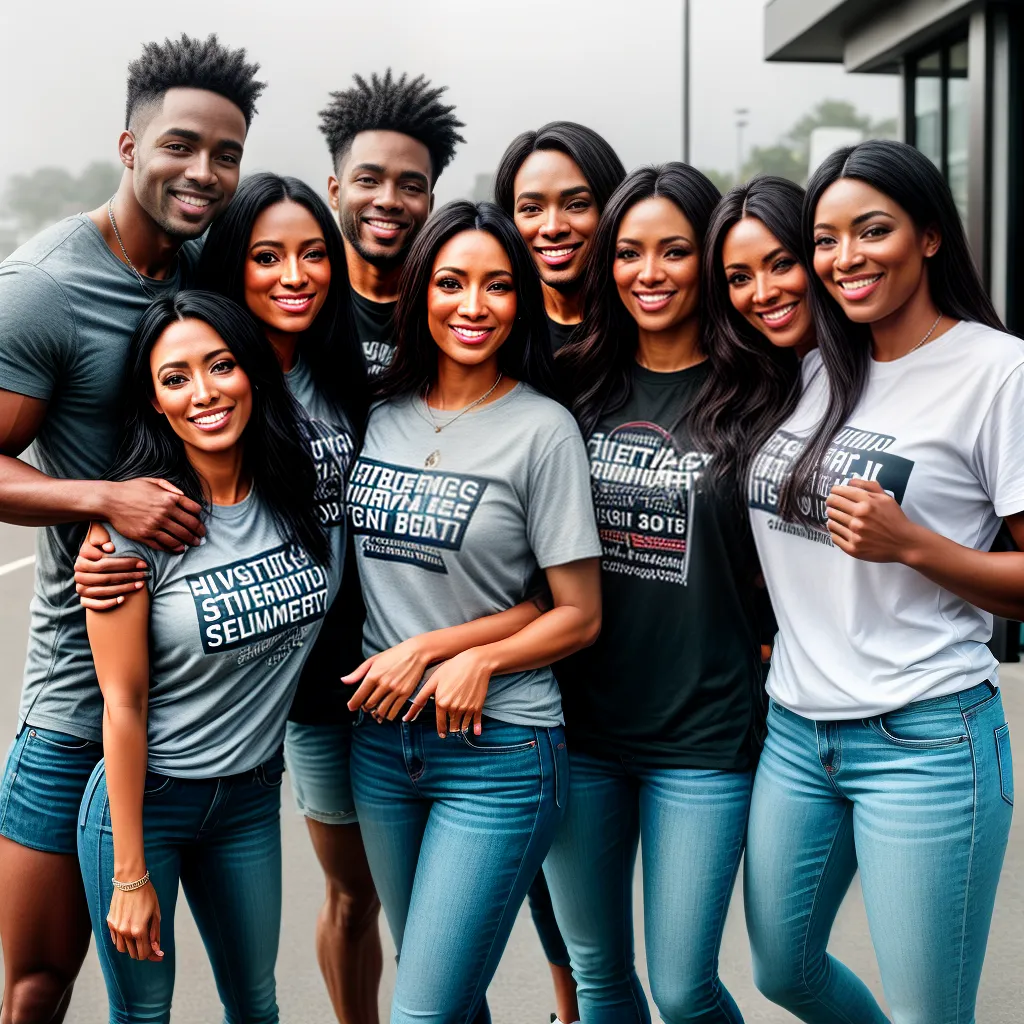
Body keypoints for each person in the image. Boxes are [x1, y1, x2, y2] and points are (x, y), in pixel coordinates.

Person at [0, 35, 264, 1023]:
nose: (204, 172)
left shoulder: (212, 269)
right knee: (38, 983)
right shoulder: (44, 288)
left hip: (204, 706)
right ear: (128, 144)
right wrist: (103, 499)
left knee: (236, 995)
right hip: (78, 692)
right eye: (180, 146)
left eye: (226, 154)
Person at [74, 172, 378, 1023]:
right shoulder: (138, 526)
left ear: (252, 375)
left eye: (220, 369)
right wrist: (129, 869)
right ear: (154, 398)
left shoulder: (291, 493)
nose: (204, 393)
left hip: (250, 793)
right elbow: (124, 704)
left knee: (257, 1003)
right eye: (177, 380)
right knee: (145, 1014)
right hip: (149, 802)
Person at [744, 139, 1016, 1024]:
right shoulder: (815, 364)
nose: (845, 258)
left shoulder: (996, 372)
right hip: (795, 728)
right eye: (826, 240)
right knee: (783, 970)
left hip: (926, 737)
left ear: (930, 235)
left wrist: (914, 545)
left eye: (873, 231)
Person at [344, 200, 602, 1024]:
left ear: (520, 300)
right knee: (444, 995)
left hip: (502, 752)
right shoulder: (379, 414)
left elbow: (579, 613)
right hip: (383, 748)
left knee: (421, 1010)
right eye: (452, 282)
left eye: (497, 286)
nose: (473, 305)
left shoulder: (543, 430)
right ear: (420, 292)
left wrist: (472, 658)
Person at [543, 163, 770, 1024]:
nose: (650, 272)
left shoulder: (760, 393)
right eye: (629, 252)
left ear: (707, 260)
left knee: (682, 988)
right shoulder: (571, 386)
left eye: (675, 250)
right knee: (598, 976)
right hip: (581, 734)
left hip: (705, 738)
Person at [319, 70, 465, 375]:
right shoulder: (299, 293)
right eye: (368, 180)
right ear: (335, 193)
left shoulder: (454, 305)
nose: (388, 200)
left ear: (430, 204)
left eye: (411, 187)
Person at [495, 121, 626, 353]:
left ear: (610, 208)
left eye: (576, 205)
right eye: (531, 209)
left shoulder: (644, 328)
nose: (553, 228)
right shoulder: (498, 332)